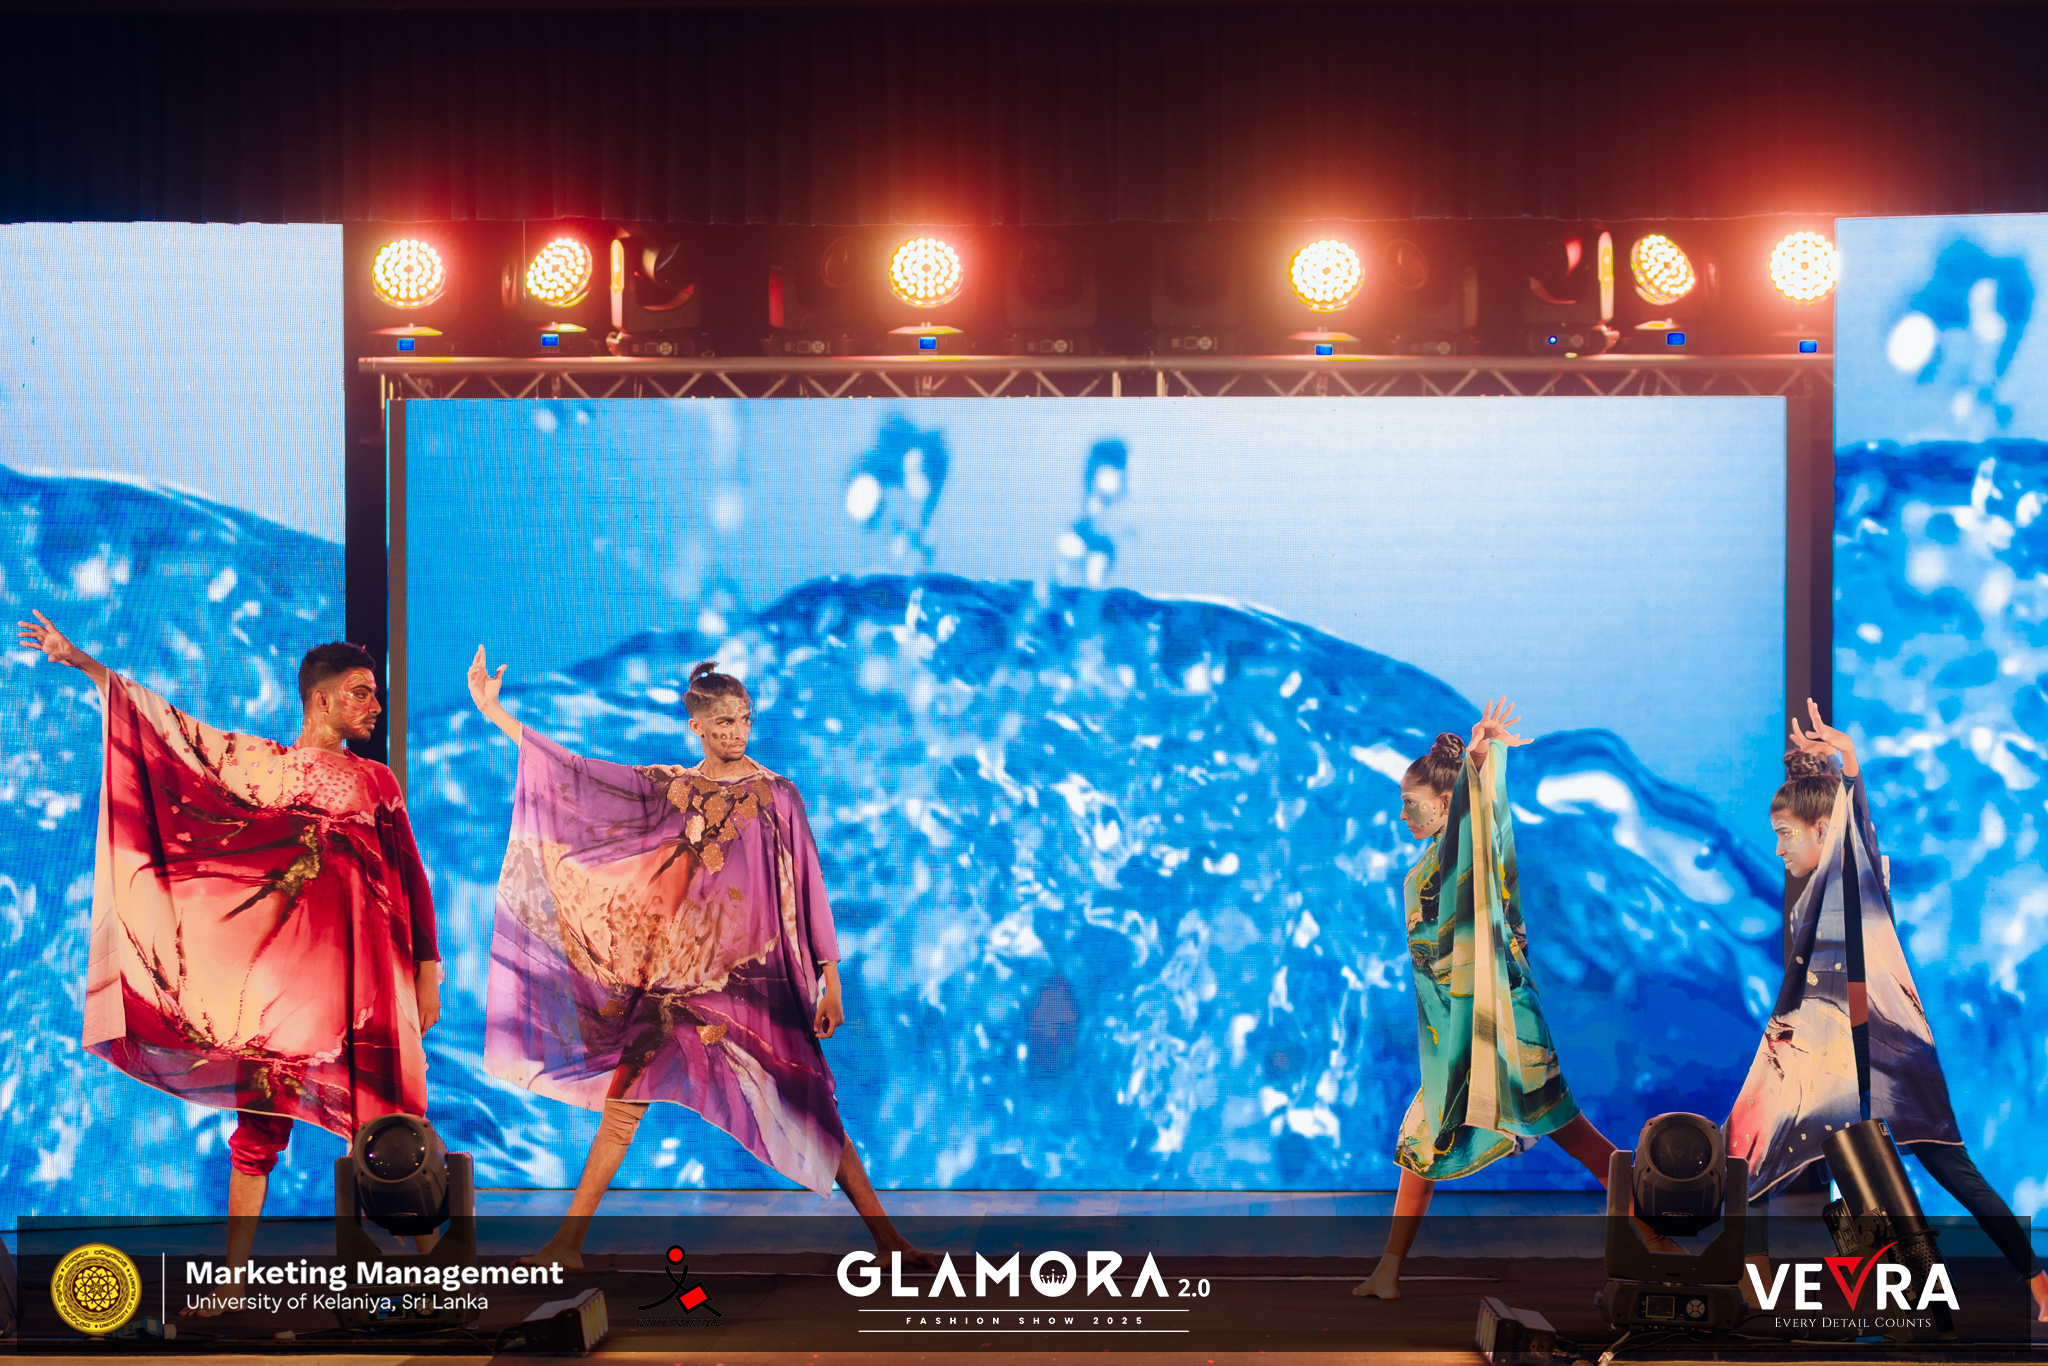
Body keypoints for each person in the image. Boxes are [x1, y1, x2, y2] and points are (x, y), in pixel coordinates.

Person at [16, 613, 442, 1306]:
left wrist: (428, 969)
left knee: (395, 1124)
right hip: (283, 993)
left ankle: (442, 1278)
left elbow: (413, 878)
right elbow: (170, 735)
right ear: (323, 698)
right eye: (361, 692)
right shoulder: (263, 768)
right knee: (259, 1130)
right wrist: (88, 665)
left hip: (368, 985)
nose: (374, 705)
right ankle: (236, 1281)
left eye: (375, 693)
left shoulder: (377, 781)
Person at [467, 646, 928, 1268]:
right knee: (622, 1105)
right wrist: (496, 714)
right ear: (698, 726)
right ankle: (567, 1243)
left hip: (757, 981)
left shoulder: (779, 795)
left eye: (744, 719)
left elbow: (810, 884)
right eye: (724, 722)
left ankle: (890, 1242)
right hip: (676, 982)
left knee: (811, 1100)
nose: (736, 731)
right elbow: (577, 774)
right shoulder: (672, 789)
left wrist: (831, 977)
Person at [1727, 699, 2048, 1321]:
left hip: (1888, 1056)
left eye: (1786, 834)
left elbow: (1855, 825)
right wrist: (1812, 770)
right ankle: (1855, 1289)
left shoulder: (1856, 871)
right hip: (1830, 1061)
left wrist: (1847, 763)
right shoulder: (1813, 897)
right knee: (1765, 1149)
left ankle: (2033, 1278)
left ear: (1826, 831)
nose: (1779, 849)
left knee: (1946, 1164)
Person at [1356, 699, 1668, 1299]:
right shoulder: (1438, 858)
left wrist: (1479, 761)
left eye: (1411, 802)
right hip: (1458, 1036)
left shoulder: (1464, 854)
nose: (1402, 813)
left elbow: (1483, 819)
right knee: (1422, 1142)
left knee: (1580, 1141)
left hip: (1503, 1030)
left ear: (1445, 802)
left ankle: (1661, 1242)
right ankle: (1388, 1271)